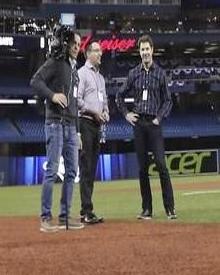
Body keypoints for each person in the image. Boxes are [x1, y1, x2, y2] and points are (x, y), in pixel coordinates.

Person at [115, 34, 177, 220]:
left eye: (147, 49)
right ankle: (147, 209)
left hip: (154, 124)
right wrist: (126, 114)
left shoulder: (160, 73)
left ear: (152, 50)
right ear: (139, 52)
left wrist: (159, 117)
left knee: (161, 165)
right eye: (142, 50)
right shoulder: (134, 73)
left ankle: (170, 208)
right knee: (142, 168)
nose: (145, 53)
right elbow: (119, 95)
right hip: (138, 123)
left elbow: (168, 100)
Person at [30, 27, 84, 232]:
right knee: (52, 170)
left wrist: (78, 132)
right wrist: (52, 95)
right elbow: (35, 81)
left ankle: (64, 217)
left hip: (71, 126)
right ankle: (45, 218)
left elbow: (75, 103)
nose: (77, 47)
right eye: (74, 43)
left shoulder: (73, 70)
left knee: (71, 172)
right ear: (66, 44)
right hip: (55, 123)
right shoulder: (55, 63)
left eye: (79, 45)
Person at [77, 39, 109, 224]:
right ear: (88, 53)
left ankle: (88, 209)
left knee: (92, 168)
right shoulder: (81, 74)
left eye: (100, 51)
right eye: (97, 51)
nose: (100, 53)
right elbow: (77, 101)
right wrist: (94, 111)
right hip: (85, 123)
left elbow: (104, 100)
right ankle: (86, 211)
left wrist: (105, 111)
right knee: (87, 167)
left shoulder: (100, 77)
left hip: (97, 125)